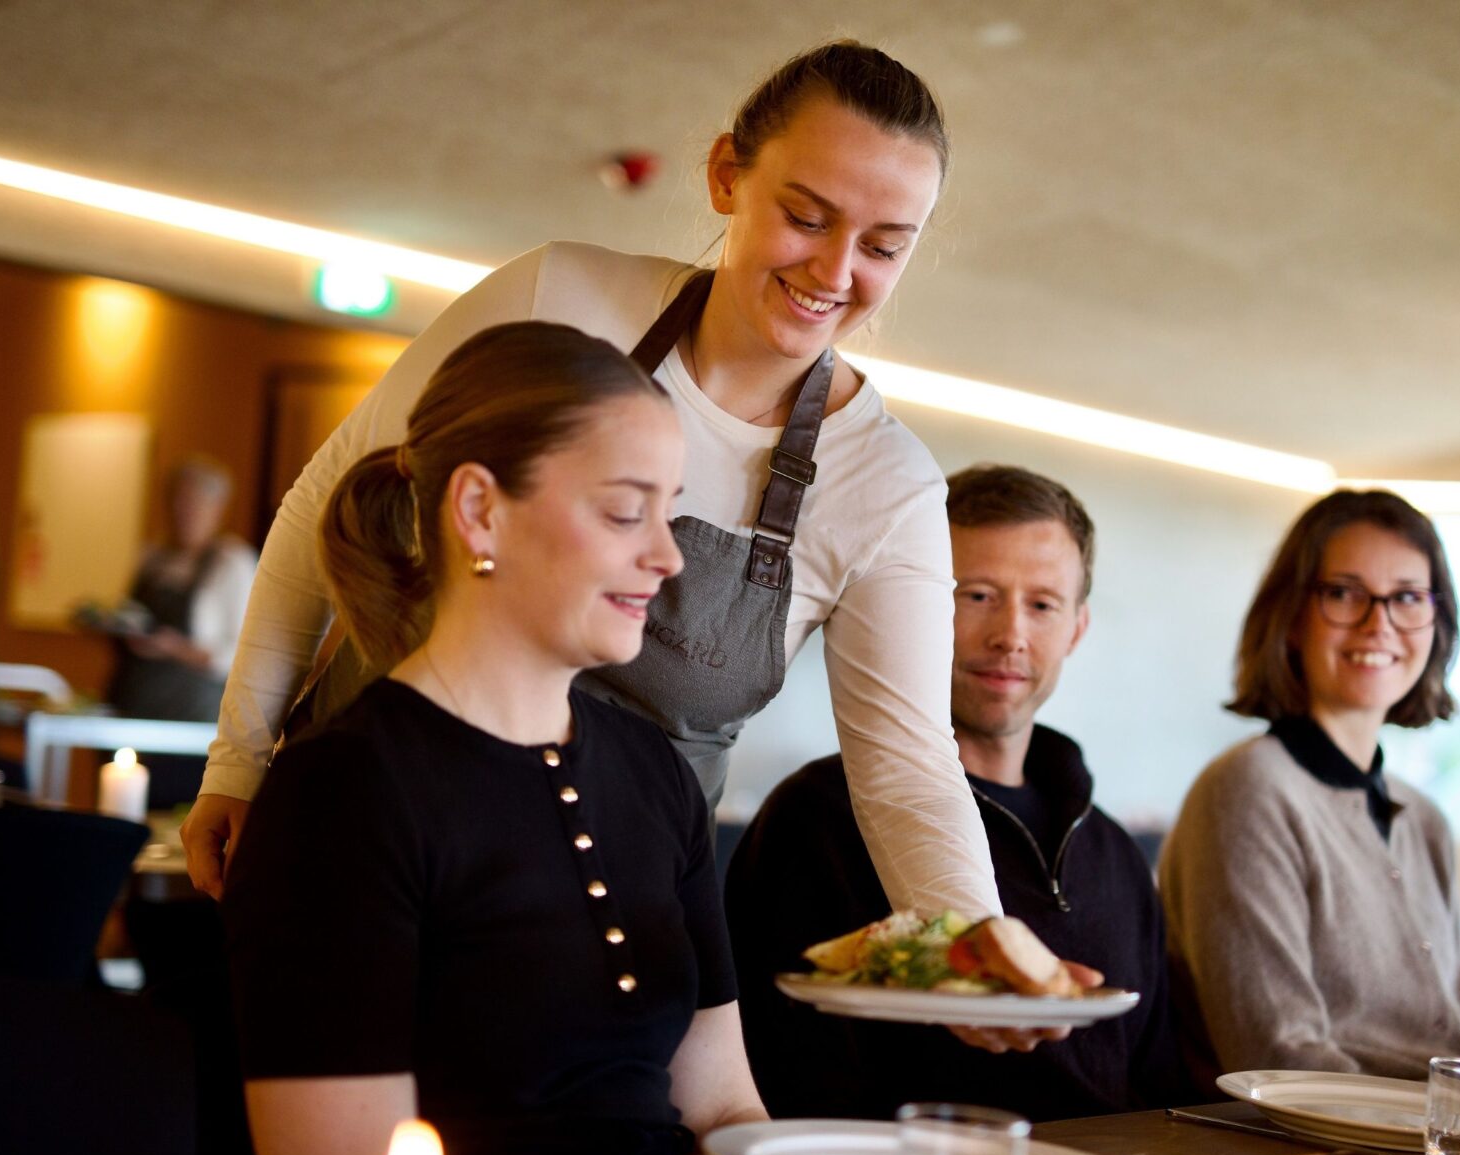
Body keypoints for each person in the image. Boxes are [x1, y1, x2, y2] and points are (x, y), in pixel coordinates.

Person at [183, 42, 1004, 938]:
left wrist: (975, 951)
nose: (837, 273)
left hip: (602, 927)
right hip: (366, 843)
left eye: (884, 247)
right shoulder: (557, 297)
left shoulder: (885, 484)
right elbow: (326, 501)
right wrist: (239, 761)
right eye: (806, 217)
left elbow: (908, 769)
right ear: (727, 175)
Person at [223, 322, 765, 1155]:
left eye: (672, 513)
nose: (666, 557)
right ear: (479, 510)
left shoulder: (654, 770)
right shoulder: (342, 794)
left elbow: (723, 1111)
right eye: (627, 512)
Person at [726, 465, 1193, 1119]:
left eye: (1042, 604)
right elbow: (783, 1068)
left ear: (1076, 629)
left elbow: (1156, 1079)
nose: (1010, 634)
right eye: (974, 595)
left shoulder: (1113, 849)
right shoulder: (819, 814)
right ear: (910, 610)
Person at [1157, 489, 1460, 1080]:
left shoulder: (1425, 819)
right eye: (1343, 593)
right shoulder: (1246, 790)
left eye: (1407, 597)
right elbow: (1279, 1056)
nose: (1378, 623)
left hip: (1447, 1151)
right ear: (1290, 619)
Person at [104, 455, 257, 806]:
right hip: (128, 711)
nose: (183, 511)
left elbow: (239, 654)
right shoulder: (152, 557)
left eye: (194, 503)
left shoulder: (231, 563)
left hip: (185, 726)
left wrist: (174, 648)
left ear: (218, 508)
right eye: (177, 501)